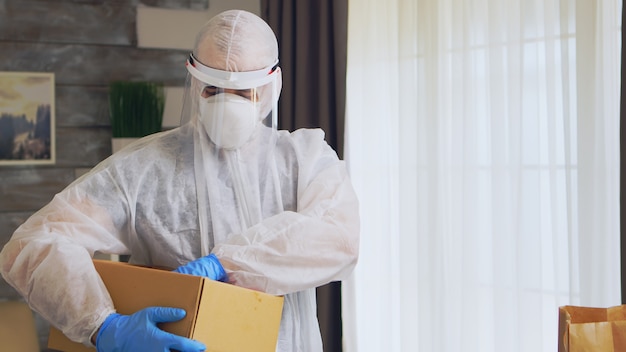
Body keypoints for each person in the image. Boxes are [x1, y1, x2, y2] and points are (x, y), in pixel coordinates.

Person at [0, 9, 359, 352]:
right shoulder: (143, 170)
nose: (227, 104)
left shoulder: (304, 160)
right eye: (213, 89)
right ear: (194, 78)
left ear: (271, 85)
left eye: (243, 92)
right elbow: (33, 245)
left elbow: (338, 236)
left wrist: (225, 264)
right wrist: (104, 326)